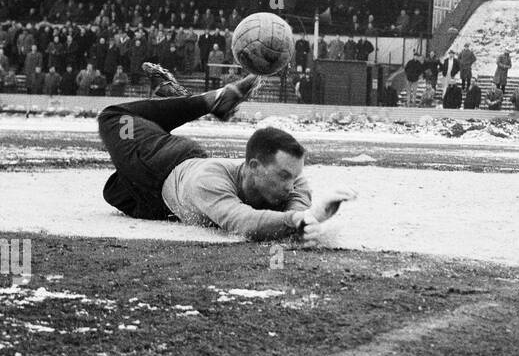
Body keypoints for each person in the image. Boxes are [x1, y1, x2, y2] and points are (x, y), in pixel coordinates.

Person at [96, 73, 355, 239]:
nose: (290, 186)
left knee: (114, 192)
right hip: (160, 165)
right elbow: (242, 222)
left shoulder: (293, 180)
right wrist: (298, 219)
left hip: (161, 202)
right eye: (283, 176)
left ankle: (169, 102)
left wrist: (305, 222)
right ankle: (207, 102)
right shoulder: (210, 182)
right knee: (116, 117)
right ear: (253, 166)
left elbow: (297, 206)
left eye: (294, 177)